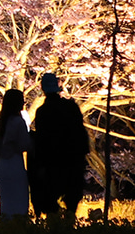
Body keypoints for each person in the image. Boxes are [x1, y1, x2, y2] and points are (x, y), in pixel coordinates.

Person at [28, 73, 90, 220]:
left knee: (50, 199)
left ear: (42, 89)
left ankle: (53, 224)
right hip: (73, 159)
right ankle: (70, 222)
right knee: (72, 198)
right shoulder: (71, 107)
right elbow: (80, 133)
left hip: (52, 162)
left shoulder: (42, 112)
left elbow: (42, 139)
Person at [0, 87, 33, 219]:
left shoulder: (1, 122)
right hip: (14, 163)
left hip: (1, 164)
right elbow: (24, 144)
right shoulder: (18, 122)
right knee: (19, 198)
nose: (23, 103)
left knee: (6, 200)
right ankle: (17, 225)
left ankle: (5, 224)